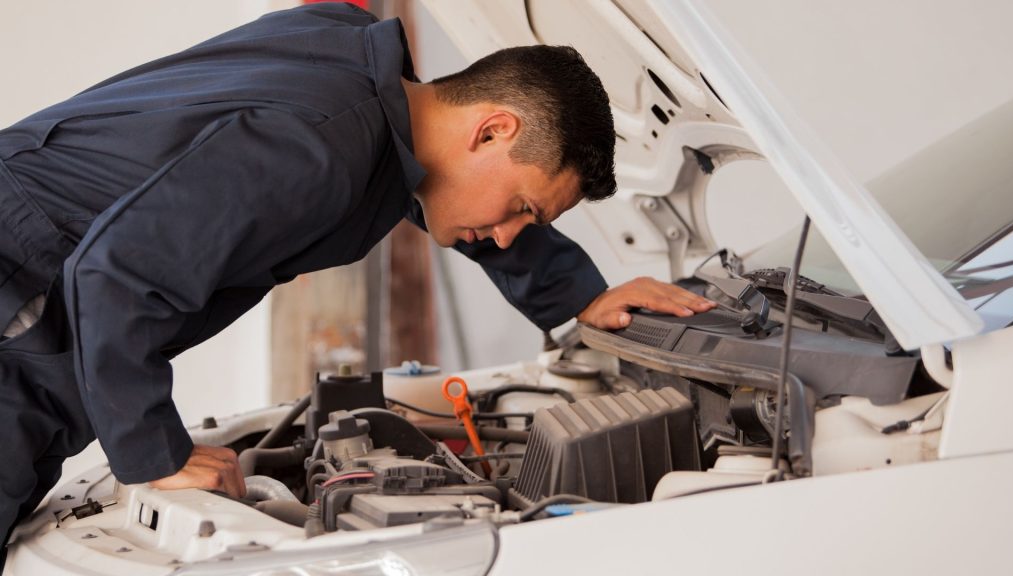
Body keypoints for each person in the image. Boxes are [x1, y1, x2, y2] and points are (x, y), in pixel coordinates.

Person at [0, 2, 713, 562]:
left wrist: (580, 298)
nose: (505, 233)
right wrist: (159, 455)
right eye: (523, 207)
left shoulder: (352, 64)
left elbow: (421, 188)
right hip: (21, 284)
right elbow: (118, 273)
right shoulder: (319, 148)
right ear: (493, 129)